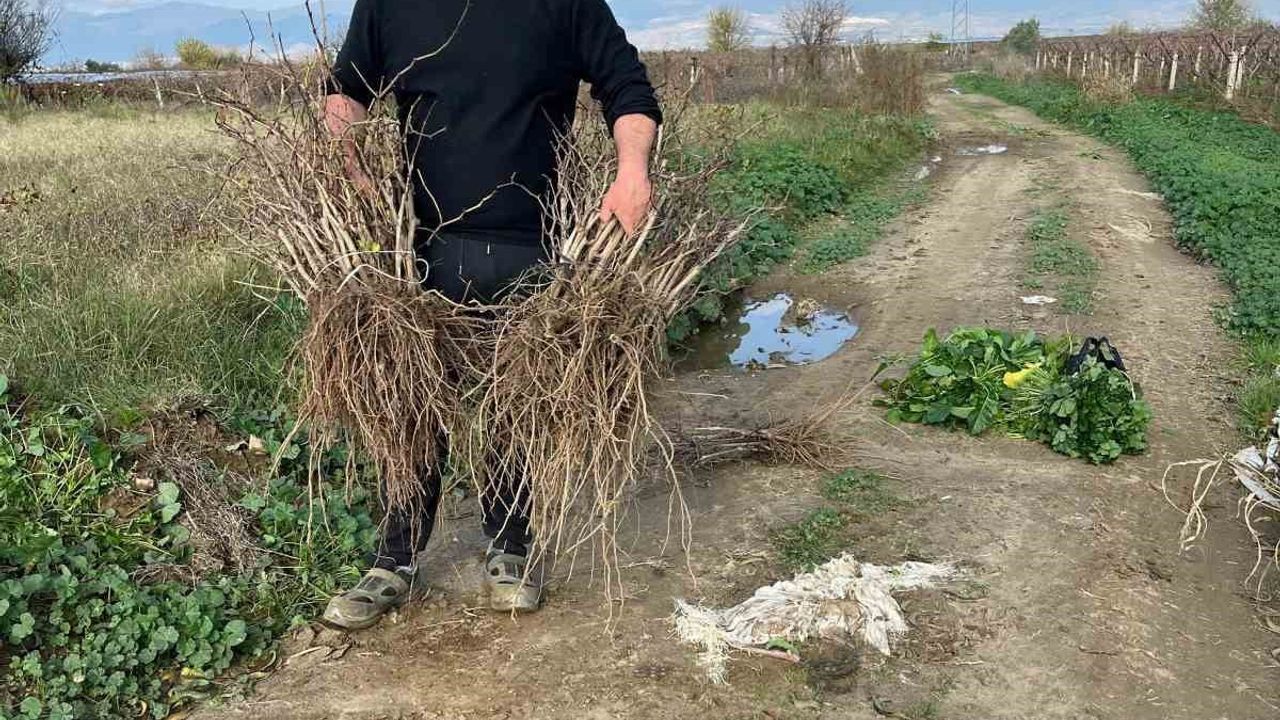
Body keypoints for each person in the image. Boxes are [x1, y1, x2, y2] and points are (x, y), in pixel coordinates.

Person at [320, 0, 662, 629]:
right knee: (410, 401)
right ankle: (394, 560)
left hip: (537, 245)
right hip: (415, 245)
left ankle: (509, 546)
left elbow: (628, 86)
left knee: (516, 399)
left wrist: (631, 171)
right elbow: (346, 91)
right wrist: (352, 166)